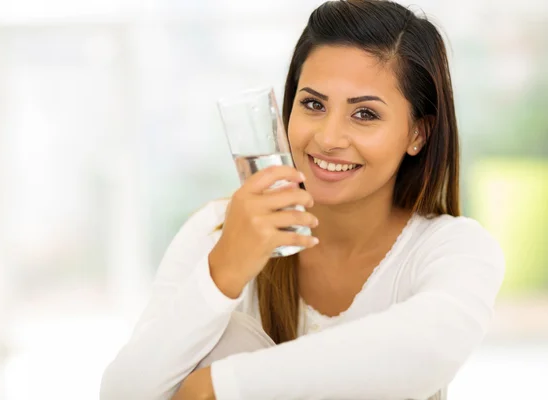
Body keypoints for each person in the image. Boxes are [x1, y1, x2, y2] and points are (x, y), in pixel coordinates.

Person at [100, 0, 505, 399]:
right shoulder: (216, 229)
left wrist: (219, 386)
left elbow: (425, 351)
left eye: (364, 114)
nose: (328, 139)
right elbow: (123, 394)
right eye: (313, 104)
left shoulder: (453, 249)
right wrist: (222, 271)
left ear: (417, 133)